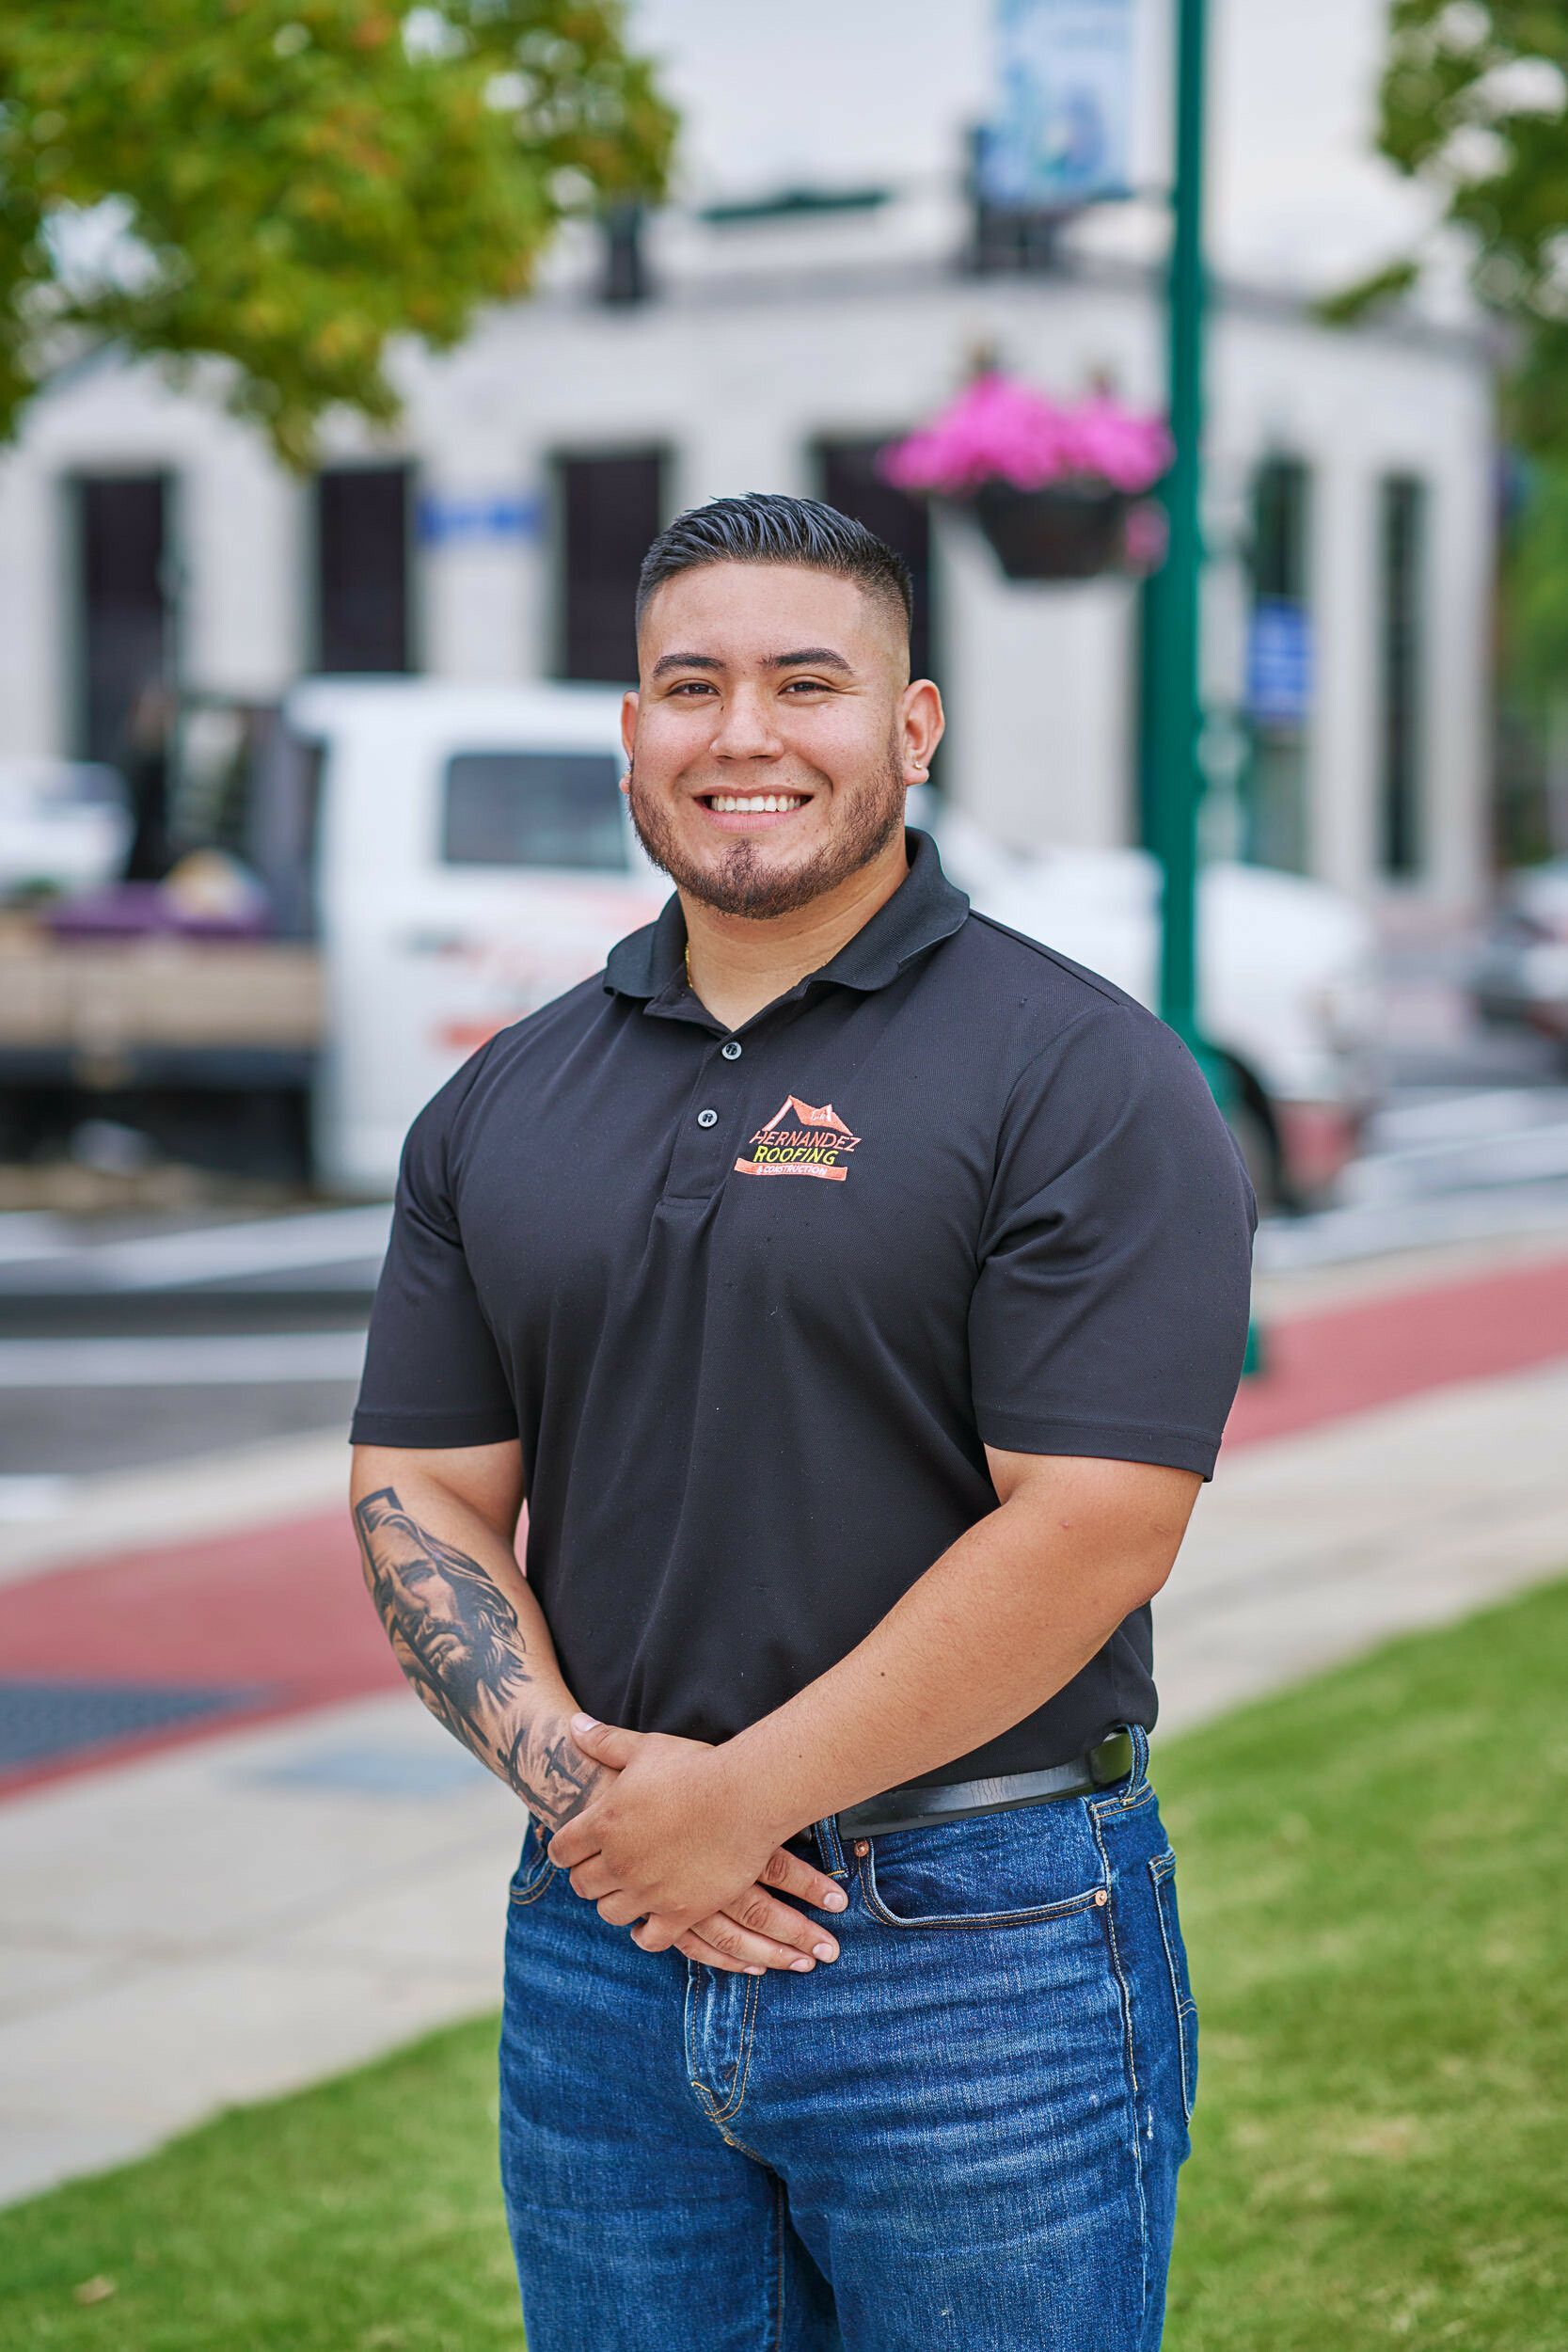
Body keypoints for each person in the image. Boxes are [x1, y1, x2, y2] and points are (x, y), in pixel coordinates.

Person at [349, 492, 1256, 2350]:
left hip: (978, 1945)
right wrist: (595, 1798)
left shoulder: (1081, 1073)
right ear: (632, 731)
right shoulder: (503, 1099)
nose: (742, 733)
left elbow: (1096, 1520)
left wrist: (739, 1801)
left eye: (806, 683)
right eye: (692, 686)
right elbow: (419, 1480)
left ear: (913, 728)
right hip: (604, 1937)